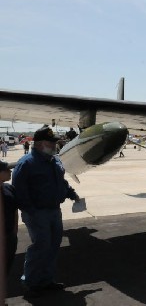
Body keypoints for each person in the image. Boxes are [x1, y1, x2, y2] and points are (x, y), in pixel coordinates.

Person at [11, 125, 80, 296]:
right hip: (37, 213)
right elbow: (19, 190)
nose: (55, 145)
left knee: (53, 245)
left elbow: (61, 181)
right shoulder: (26, 163)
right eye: (52, 143)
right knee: (41, 246)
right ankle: (30, 282)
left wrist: (72, 194)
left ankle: (46, 280)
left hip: (54, 211)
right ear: (41, 144)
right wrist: (31, 210)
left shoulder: (55, 161)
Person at [1, 161, 18, 275]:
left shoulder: (9, 188)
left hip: (9, 236)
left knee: (6, 267)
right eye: (7, 170)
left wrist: (15, 230)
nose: (10, 171)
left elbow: (15, 210)